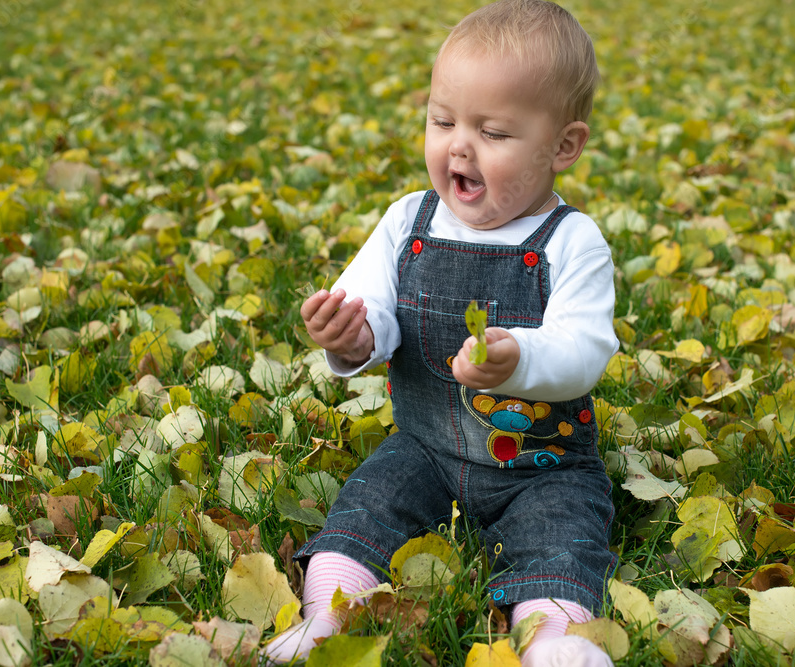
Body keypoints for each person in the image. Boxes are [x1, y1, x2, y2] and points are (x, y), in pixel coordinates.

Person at [263, 1, 618, 664]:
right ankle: (325, 619)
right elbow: (375, 309)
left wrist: (520, 358)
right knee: (365, 508)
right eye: (442, 120)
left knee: (564, 539)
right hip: (425, 448)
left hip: (541, 465)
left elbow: (584, 349)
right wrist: (351, 335)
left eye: (494, 132)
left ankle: (553, 640)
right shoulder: (408, 221)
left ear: (563, 146)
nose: (459, 145)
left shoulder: (573, 242)